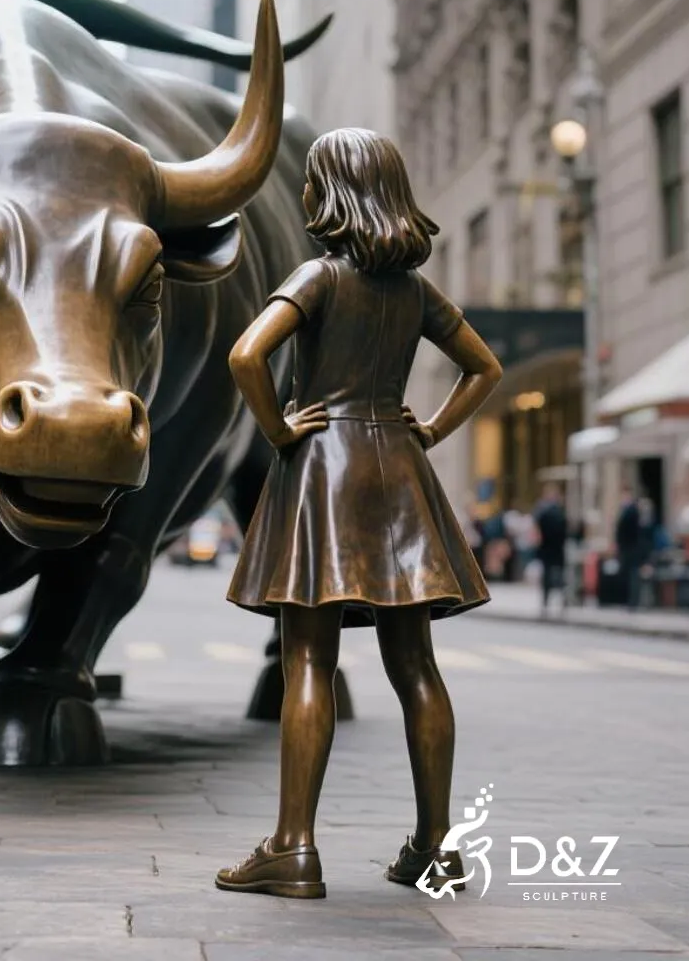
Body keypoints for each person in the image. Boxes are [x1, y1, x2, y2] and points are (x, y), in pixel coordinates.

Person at [215, 128, 502, 899]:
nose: (306, 193)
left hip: (324, 472)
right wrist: (430, 430)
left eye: (312, 181)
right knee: (416, 666)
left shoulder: (318, 277)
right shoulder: (414, 292)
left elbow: (246, 355)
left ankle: (292, 847)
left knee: (308, 660)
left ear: (332, 193)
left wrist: (279, 430)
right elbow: (484, 368)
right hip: (398, 469)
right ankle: (437, 849)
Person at [533, 483, 569, 617]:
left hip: (547, 550)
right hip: (558, 550)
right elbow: (565, 532)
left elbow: (538, 533)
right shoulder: (560, 512)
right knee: (559, 578)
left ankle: (546, 603)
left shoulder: (543, 513)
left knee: (547, 579)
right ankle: (562, 602)